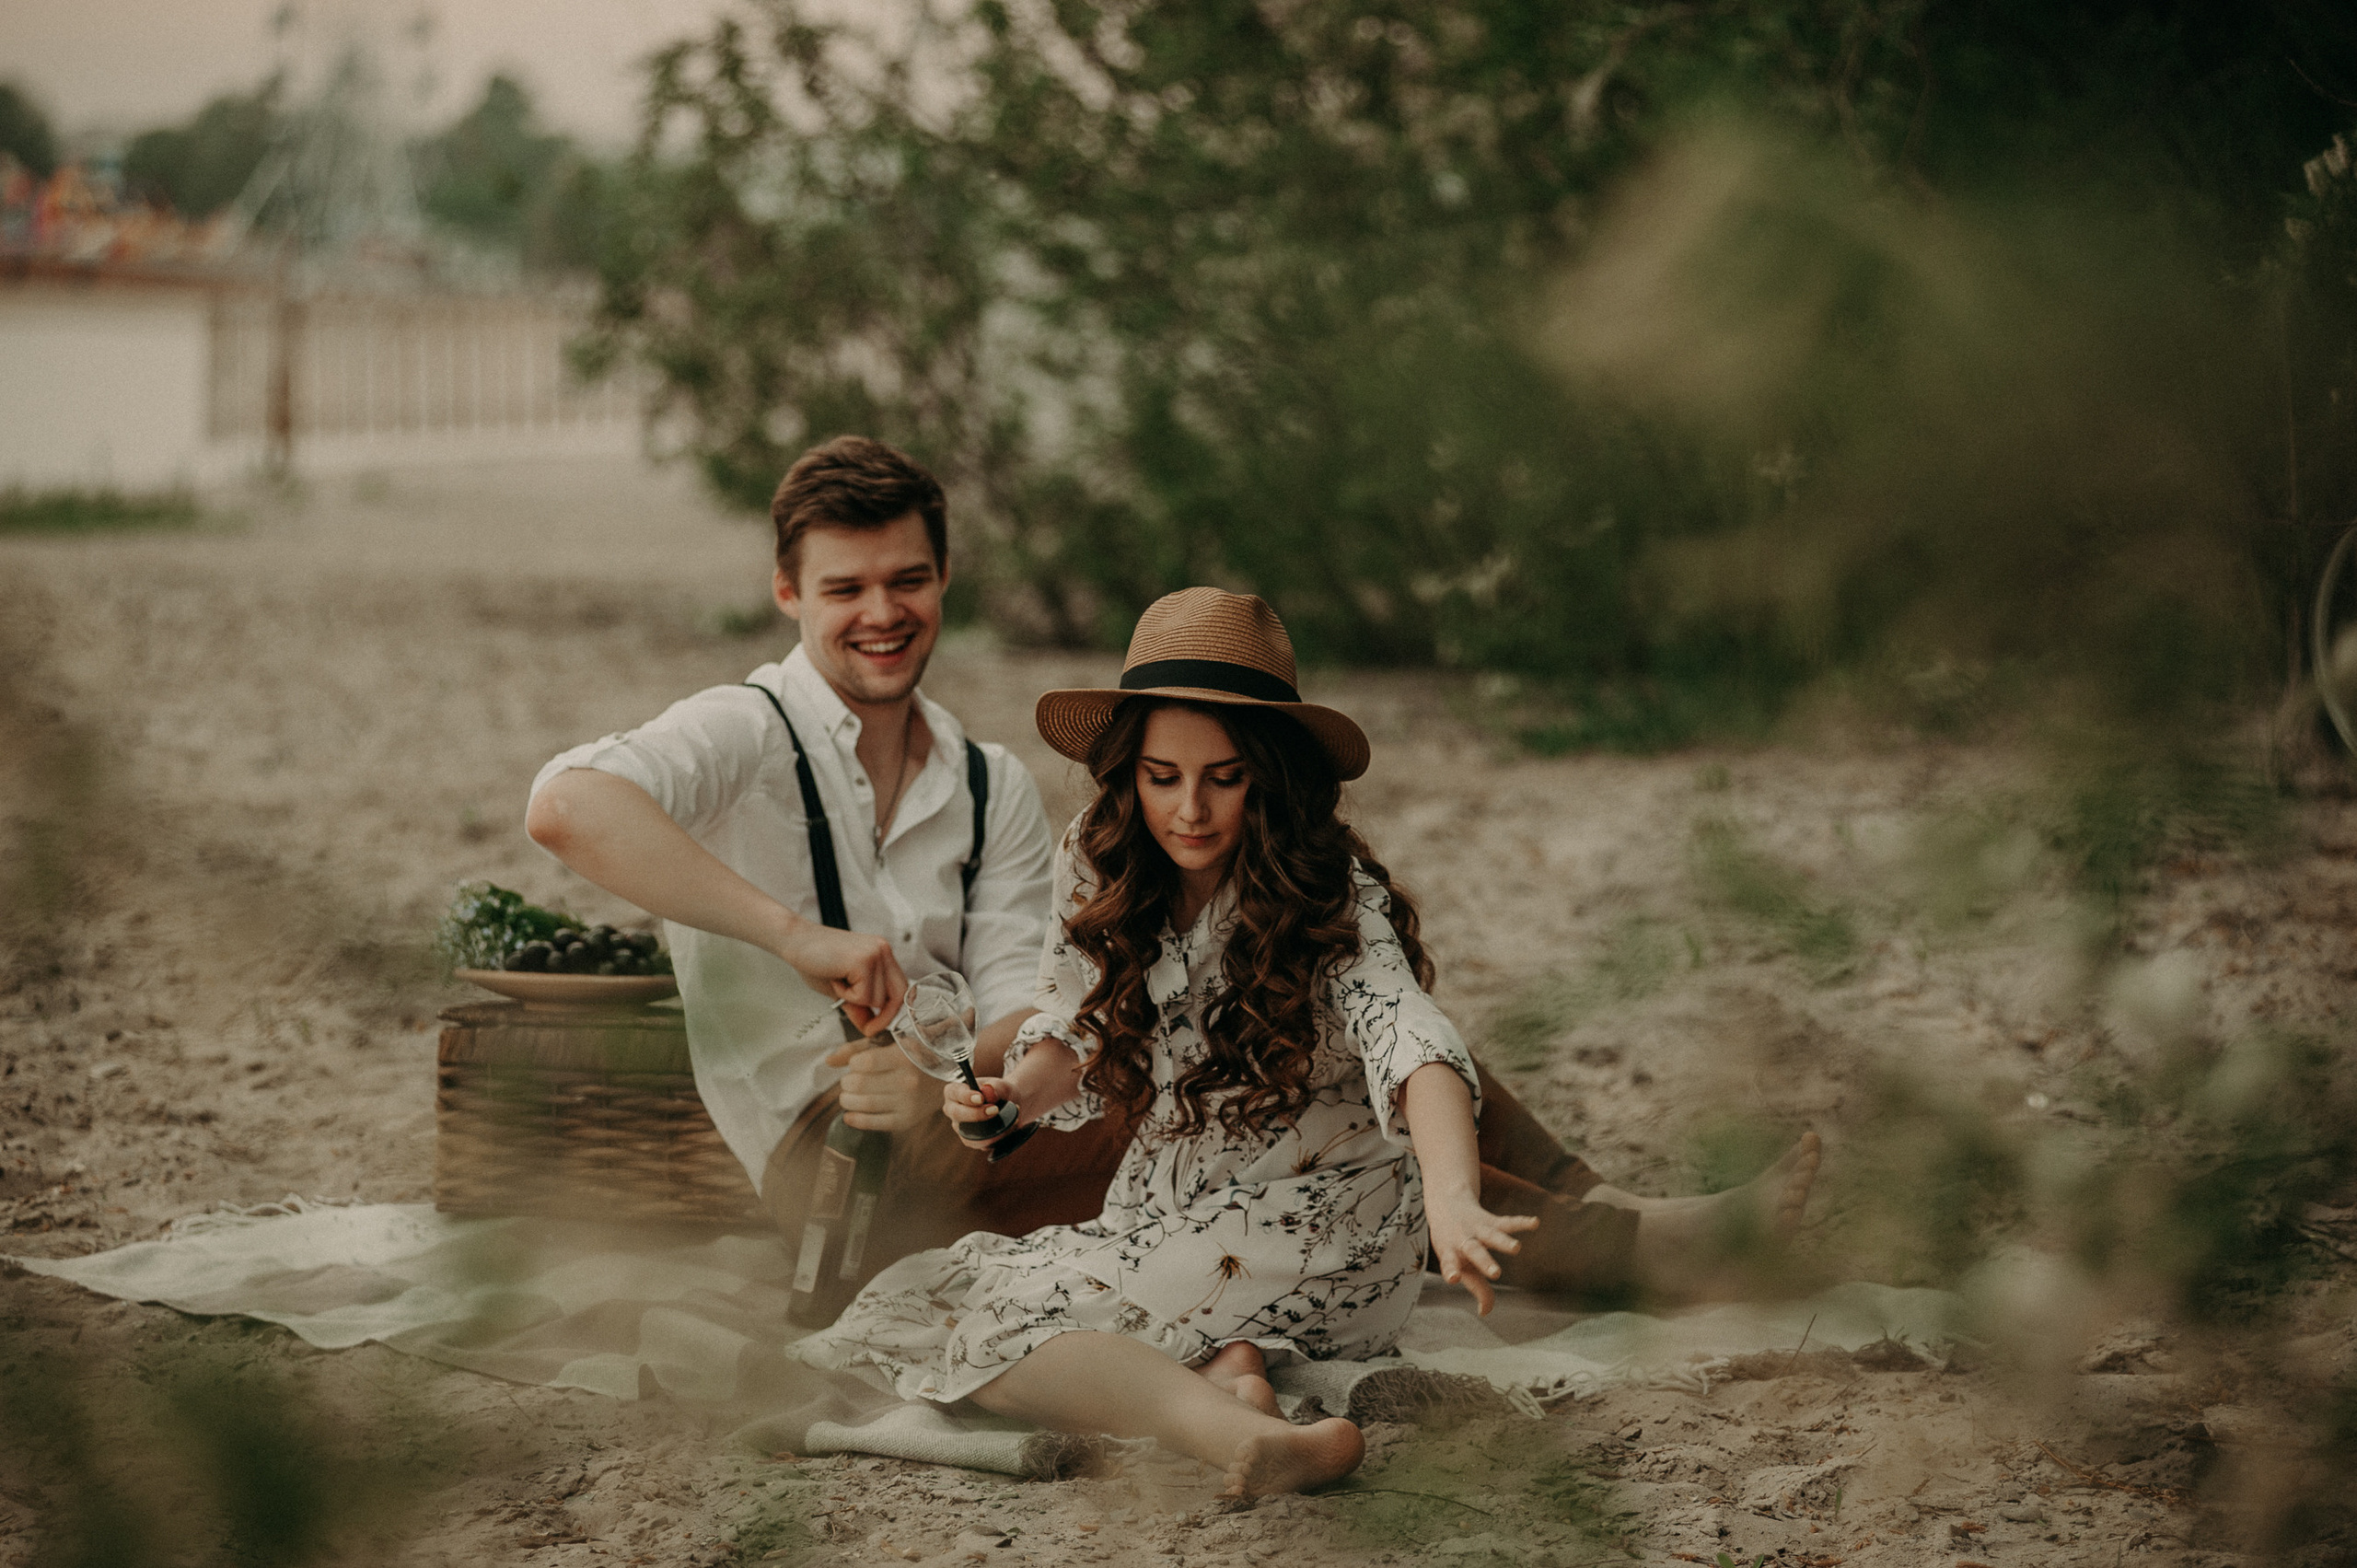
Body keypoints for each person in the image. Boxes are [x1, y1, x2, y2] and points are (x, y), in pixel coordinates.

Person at [528, 434, 1810, 1299]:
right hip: (836, 1162)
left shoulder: (984, 779)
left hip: (983, 1112)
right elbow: (567, 808)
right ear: (787, 593)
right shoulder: (743, 731)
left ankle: (1605, 1204)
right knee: (1270, 1091)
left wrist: (1005, 1068)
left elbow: (1025, 999)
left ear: (945, 578)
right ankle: (1630, 1248)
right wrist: (794, 934)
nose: (881, 613)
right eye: (845, 586)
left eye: (907, 579)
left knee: (1322, 1004)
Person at [789, 589, 1817, 1495]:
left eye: (1223, 777)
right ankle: (1237, 1372)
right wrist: (1011, 1093)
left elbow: (1414, 1042)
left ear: (1271, 777)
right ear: (1126, 773)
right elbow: (1080, 1022)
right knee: (936, 1289)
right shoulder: (1101, 860)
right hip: (1185, 1196)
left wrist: (1453, 1195)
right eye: (1159, 776)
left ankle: (1225, 1430)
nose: (1188, 809)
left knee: (991, 1331)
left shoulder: (1330, 892)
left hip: (1332, 1222)